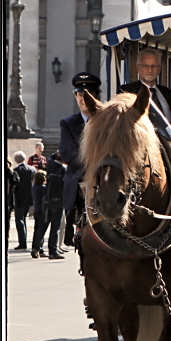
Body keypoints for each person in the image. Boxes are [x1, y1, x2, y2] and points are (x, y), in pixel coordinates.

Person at [59, 72, 102, 247]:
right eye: (80, 94)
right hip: (79, 184)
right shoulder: (68, 123)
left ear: (97, 96)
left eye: (89, 94)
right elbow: (68, 154)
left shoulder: (107, 119)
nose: (84, 99)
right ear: (75, 96)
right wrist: (98, 160)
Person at [119, 48, 171, 123]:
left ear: (159, 69)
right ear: (138, 68)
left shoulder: (168, 94)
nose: (150, 70)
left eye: (154, 66)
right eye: (145, 66)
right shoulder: (127, 91)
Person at [12, 151, 36, 249]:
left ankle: (22, 242)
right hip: (31, 198)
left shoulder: (15, 171)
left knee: (20, 220)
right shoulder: (32, 169)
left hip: (19, 199)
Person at [30, 170, 49, 258]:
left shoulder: (34, 187)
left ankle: (38, 248)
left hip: (36, 210)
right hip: (43, 211)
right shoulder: (43, 188)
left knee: (37, 230)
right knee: (41, 231)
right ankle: (36, 248)